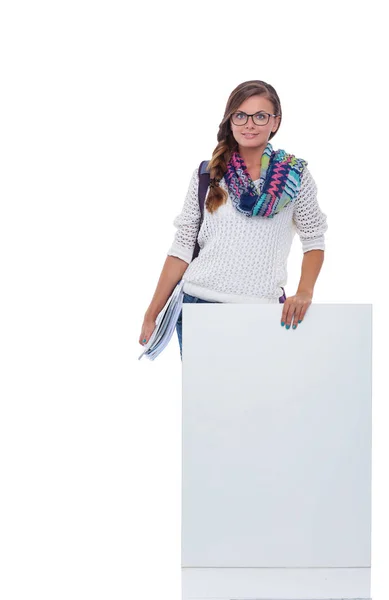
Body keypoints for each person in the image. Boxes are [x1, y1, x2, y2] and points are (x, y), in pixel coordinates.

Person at [139, 80, 328, 360]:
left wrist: (304, 292)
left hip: (262, 311)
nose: (249, 124)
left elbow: (314, 240)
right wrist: (151, 313)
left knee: (259, 400)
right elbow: (181, 249)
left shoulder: (294, 177)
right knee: (205, 402)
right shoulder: (207, 175)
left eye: (260, 116)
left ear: (275, 122)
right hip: (197, 306)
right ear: (230, 120)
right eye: (240, 115)